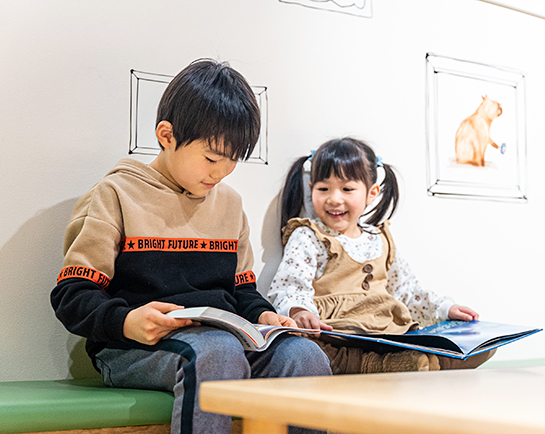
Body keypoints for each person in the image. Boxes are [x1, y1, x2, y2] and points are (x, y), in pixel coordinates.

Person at [50, 59, 331, 434]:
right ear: (166, 135)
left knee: (304, 357)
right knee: (215, 352)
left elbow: (242, 292)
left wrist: (265, 317)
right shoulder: (115, 194)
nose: (221, 172)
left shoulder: (230, 204)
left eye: (233, 161)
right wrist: (127, 321)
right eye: (212, 158)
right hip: (131, 347)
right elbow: (72, 294)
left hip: (221, 341)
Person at [268, 137, 494, 374]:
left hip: (385, 332)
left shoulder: (380, 239)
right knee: (311, 350)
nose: (334, 199)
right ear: (312, 187)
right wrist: (299, 311)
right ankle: (384, 365)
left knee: (482, 347)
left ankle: (426, 362)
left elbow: (406, 290)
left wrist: (445, 309)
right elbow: (290, 284)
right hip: (337, 334)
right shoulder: (308, 236)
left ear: (371, 193)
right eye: (323, 189)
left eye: (347, 189)